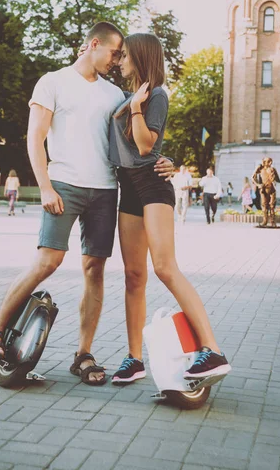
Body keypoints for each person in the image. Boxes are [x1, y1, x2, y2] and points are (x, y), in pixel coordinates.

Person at [0, 22, 174, 385]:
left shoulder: (115, 95)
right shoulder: (52, 82)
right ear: (93, 44)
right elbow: (35, 138)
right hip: (64, 186)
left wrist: (168, 159)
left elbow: (139, 139)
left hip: (105, 190)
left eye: (122, 56)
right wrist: (46, 186)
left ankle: (83, 354)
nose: (118, 61)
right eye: (114, 52)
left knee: (94, 270)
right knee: (47, 261)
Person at [109, 33, 231, 385]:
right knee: (134, 276)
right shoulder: (129, 95)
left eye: (126, 56)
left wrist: (135, 108)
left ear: (142, 57)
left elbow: (146, 146)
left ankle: (211, 349)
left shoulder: (155, 94)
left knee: (164, 267)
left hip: (151, 184)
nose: (121, 61)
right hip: (127, 188)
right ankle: (134, 359)